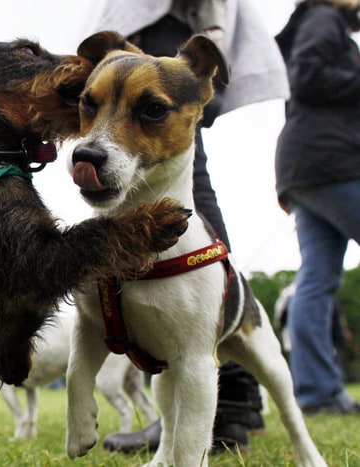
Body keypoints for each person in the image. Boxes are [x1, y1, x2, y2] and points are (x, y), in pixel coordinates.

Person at [81, 0, 290, 453]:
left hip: (170, 24)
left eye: (150, 110)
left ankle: (224, 390)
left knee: (179, 183)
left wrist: (211, 31)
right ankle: (206, 406)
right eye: (89, 105)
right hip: (141, 35)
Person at [274, 0, 360, 415]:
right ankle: (318, 391)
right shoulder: (324, 18)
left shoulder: (310, 24)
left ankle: (319, 393)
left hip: (306, 167)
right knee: (316, 281)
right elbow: (308, 77)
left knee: (316, 279)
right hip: (336, 163)